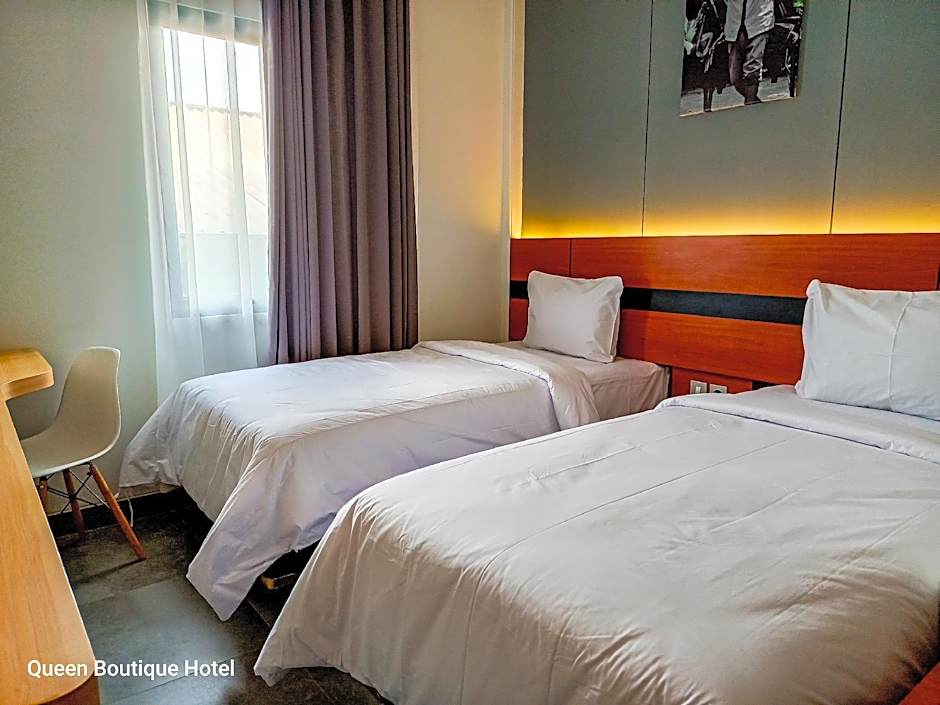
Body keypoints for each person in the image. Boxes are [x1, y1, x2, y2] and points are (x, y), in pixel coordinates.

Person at [725, 0, 774, 105]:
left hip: (759, 21)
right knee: (734, 78)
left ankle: (750, 105)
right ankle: (756, 103)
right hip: (735, 25)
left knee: (752, 71)